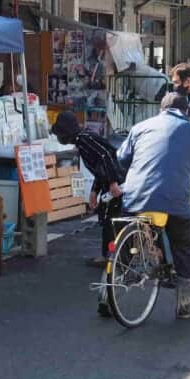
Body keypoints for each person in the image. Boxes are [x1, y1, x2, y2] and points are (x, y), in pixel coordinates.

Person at [117, 93, 190, 319]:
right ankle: (188, 303)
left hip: (134, 197)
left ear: (161, 109)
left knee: (127, 237)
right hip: (172, 199)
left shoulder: (140, 127)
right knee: (184, 243)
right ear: (186, 111)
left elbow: (122, 158)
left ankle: (109, 294)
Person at [50, 112, 124, 270]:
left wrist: (113, 182)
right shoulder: (84, 139)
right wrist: (94, 191)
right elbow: (101, 165)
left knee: (110, 219)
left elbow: (105, 156)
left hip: (117, 181)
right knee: (107, 218)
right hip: (111, 181)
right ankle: (111, 256)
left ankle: (112, 257)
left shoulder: (85, 140)